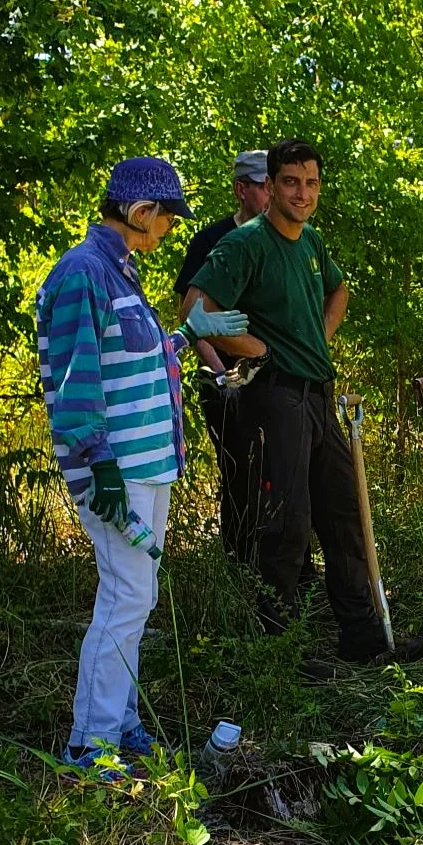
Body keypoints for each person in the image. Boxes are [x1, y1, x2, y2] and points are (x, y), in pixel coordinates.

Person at [37, 156, 248, 779]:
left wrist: (187, 333)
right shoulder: (83, 273)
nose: (167, 233)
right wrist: (96, 462)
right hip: (118, 470)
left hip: (148, 466)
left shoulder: (119, 273)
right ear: (139, 213)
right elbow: (79, 380)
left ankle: (121, 727)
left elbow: (135, 361)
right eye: (165, 221)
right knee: (125, 596)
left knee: (138, 596)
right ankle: (90, 744)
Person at [186, 138, 423, 665]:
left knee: (344, 515)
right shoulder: (246, 244)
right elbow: (196, 310)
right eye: (291, 182)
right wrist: (258, 350)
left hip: (318, 396)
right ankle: (281, 653)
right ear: (268, 187)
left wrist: (320, 335)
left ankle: (363, 637)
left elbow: (339, 291)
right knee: (284, 526)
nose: (303, 192)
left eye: (311, 182)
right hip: (273, 399)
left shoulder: (311, 243)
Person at [174, 150, 270, 561]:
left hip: (274, 377)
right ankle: (240, 562)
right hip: (224, 381)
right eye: (265, 186)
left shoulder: (285, 239)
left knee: (281, 473)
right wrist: (221, 374)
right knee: (239, 474)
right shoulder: (210, 241)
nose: (272, 195)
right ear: (241, 190)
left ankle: (286, 568)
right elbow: (192, 316)